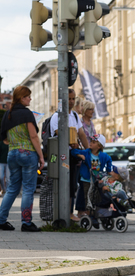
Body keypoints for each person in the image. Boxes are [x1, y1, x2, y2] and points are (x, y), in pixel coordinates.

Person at [0, 87, 46, 232]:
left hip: (12, 153)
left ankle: (1, 220)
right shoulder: (27, 114)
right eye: (28, 96)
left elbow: (5, 139)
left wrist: (16, 142)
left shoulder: (8, 114)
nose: (30, 99)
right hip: (28, 154)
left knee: (12, 188)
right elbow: (33, 136)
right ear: (21, 98)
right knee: (27, 189)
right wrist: (41, 156)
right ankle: (26, 223)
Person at [50, 88, 89, 222]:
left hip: (72, 156)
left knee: (73, 185)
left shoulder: (74, 116)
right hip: (61, 156)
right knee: (64, 185)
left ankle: (70, 213)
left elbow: (81, 133)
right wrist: (70, 142)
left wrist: (88, 152)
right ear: (62, 100)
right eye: (69, 99)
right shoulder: (57, 116)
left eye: (73, 99)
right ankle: (65, 213)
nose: (71, 102)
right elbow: (58, 134)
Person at [71, 134, 113, 223]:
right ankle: (89, 214)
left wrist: (109, 170)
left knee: (96, 197)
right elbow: (73, 151)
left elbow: (109, 159)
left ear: (99, 146)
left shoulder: (103, 156)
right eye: (91, 141)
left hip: (96, 180)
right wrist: (80, 155)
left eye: (93, 142)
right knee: (87, 197)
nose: (90, 143)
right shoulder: (86, 152)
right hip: (86, 180)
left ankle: (94, 213)